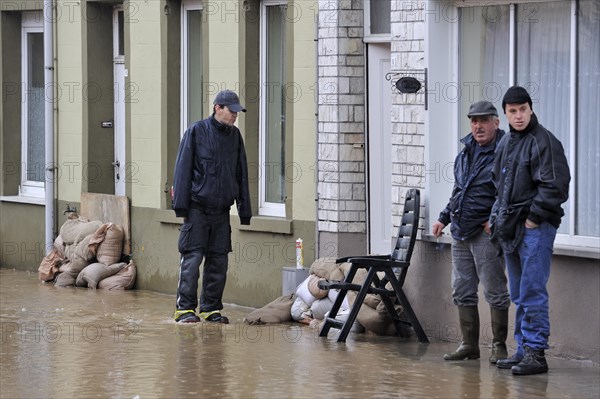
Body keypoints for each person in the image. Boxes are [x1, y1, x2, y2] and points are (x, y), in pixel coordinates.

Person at [490, 86, 570, 375]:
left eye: (523, 109)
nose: (518, 115)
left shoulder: (544, 141)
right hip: (511, 229)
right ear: (506, 114)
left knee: (533, 290)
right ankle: (523, 349)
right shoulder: (506, 142)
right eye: (512, 111)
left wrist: (533, 219)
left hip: (536, 228)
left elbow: (556, 185)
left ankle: (536, 354)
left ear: (531, 108)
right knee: (520, 292)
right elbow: (497, 184)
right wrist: (498, 219)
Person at [433, 100, 511, 363]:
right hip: (460, 232)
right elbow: (459, 190)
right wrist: (444, 217)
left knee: (495, 289)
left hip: (486, 233)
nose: (478, 126)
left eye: (484, 121)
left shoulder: (504, 151)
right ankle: (469, 345)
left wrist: (495, 220)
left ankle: (499, 346)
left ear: (496, 123)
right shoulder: (465, 152)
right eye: (474, 121)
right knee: (462, 289)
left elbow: (508, 192)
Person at [171, 90, 252, 324]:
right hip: (197, 208)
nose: (235, 115)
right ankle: (184, 310)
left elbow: (241, 173)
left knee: (218, 261)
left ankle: (210, 309)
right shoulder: (196, 131)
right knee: (192, 259)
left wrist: (244, 209)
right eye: (232, 110)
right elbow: (182, 169)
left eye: (237, 111)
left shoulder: (235, 137)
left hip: (221, 211)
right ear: (218, 108)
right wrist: (181, 207)